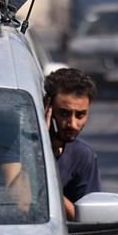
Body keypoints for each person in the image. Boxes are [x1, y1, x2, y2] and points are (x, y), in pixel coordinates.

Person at [44, 68, 101, 221]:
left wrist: (49, 190)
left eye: (80, 115)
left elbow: (91, 233)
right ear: (47, 108)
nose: (73, 124)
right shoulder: (20, 146)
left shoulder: (82, 155)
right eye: (64, 113)